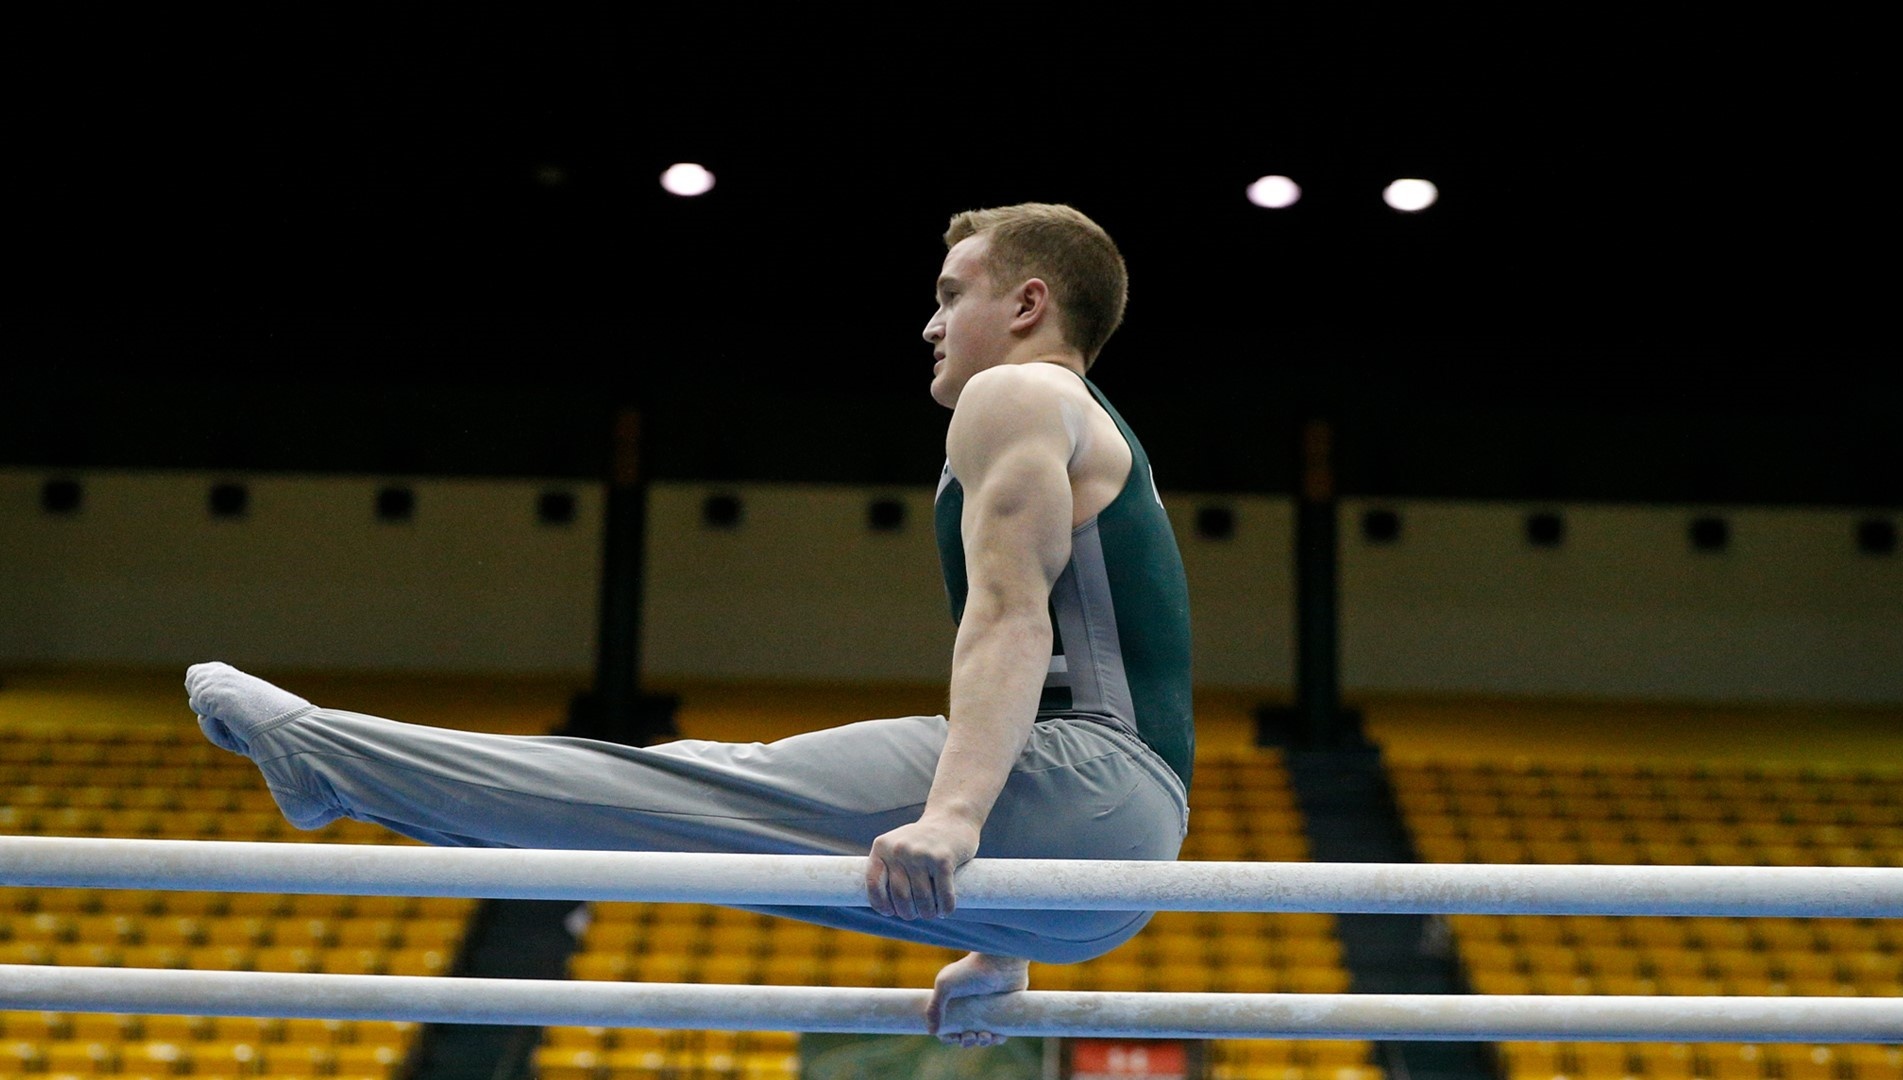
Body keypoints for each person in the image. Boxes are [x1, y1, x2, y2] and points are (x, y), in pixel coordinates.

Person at [185, 202, 1193, 1047]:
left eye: (948, 296)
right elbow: (1050, 662)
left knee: (678, 789)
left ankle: (328, 759)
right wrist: (1004, 939)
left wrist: (957, 821)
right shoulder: (1078, 420)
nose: (929, 325)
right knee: (695, 839)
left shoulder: (1019, 393)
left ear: (1027, 304)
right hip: (1103, 864)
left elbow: (1011, 621)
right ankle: (345, 775)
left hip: (1093, 791)